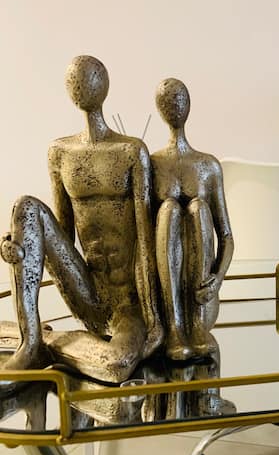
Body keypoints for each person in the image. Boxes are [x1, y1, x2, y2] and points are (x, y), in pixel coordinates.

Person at [0, 55, 163, 383]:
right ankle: (30, 342)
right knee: (26, 207)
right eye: (76, 81)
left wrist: (154, 320)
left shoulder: (131, 152)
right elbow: (62, 235)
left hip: (128, 302)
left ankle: (50, 342)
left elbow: (146, 242)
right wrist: (22, 247)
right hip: (86, 290)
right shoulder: (60, 152)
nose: (82, 87)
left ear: (104, 86)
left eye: (88, 79)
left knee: (116, 364)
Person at [151, 78, 234, 360]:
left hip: (201, 297)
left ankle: (197, 325)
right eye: (167, 101)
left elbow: (226, 236)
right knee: (168, 210)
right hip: (167, 296)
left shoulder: (207, 166)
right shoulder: (152, 165)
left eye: (179, 99)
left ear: (188, 105)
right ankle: (175, 328)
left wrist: (217, 279)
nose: (174, 106)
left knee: (198, 208)